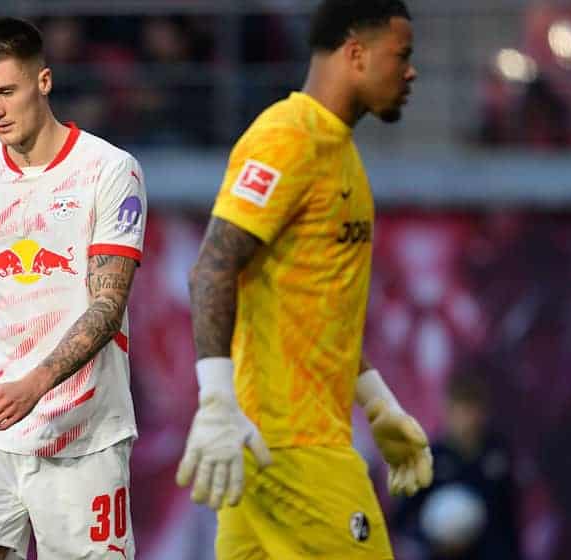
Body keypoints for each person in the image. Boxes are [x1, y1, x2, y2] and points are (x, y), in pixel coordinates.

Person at [175, 1, 432, 558]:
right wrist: (216, 402)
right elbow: (213, 267)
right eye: (402, 56)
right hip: (297, 449)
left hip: (271, 448)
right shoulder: (288, 138)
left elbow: (315, 307)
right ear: (356, 54)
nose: (411, 72)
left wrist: (378, 402)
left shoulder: (341, 154)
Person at [0, 17, 147, 560]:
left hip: (82, 437)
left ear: (44, 81)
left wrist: (35, 385)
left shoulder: (109, 170)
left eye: (6, 91)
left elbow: (107, 304)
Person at [394, 372, 522, 560]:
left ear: (483, 412)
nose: (468, 420)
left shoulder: (499, 454)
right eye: (461, 411)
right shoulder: (431, 458)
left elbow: (510, 516)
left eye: (473, 411)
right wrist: (432, 538)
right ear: (448, 412)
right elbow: (403, 517)